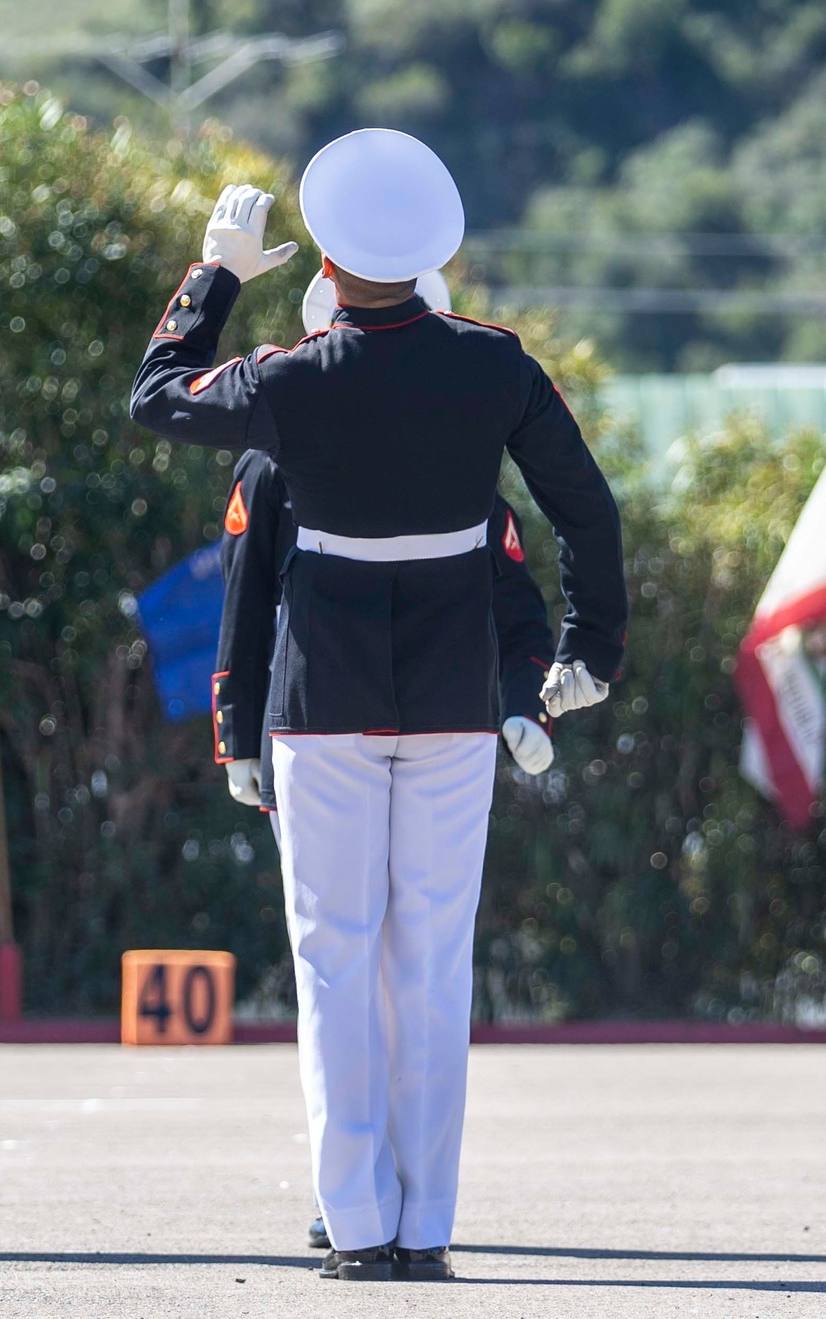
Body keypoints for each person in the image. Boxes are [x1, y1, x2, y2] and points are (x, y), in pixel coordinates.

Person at [131, 128, 627, 1282]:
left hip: (324, 704)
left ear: (330, 264)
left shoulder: (289, 376)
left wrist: (213, 274)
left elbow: (157, 397)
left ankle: (357, 1225)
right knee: (432, 961)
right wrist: (585, 649)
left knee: (337, 959)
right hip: (456, 695)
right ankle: (426, 1224)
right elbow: (585, 512)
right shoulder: (493, 362)